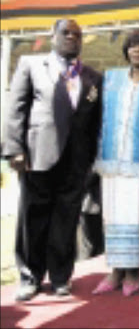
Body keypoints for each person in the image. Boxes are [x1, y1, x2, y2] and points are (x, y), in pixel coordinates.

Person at [2, 19, 102, 301]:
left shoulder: (93, 77)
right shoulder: (31, 65)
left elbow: (94, 122)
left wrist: (92, 159)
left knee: (66, 220)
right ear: (53, 36)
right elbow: (16, 109)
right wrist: (15, 149)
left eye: (77, 34)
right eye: (66, 33)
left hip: (76, 162)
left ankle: (60, 277)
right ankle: (30, 277)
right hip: (37, 157)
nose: (72, 37)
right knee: (32, 218)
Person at [92, 30, 139, 297]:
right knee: (113, 215)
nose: (138, 51)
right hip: (112, 158)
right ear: (126, 50)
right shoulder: (111, 78)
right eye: (133, 46)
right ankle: (114, 271)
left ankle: (134, 272)